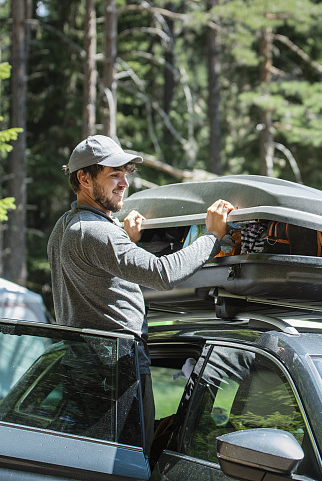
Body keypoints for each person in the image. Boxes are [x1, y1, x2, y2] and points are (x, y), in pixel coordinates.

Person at [47, 134, 234, 469]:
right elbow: (163, 274)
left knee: (95, 465)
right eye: (114, 174)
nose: (124, 182)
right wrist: (212, 236)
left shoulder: (65, 227)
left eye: (126, 172)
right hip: (116, 370)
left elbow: (99, 272)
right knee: (132, 466)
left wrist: (126, 238)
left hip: (86, 364)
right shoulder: (97, 232)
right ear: (83, 178)